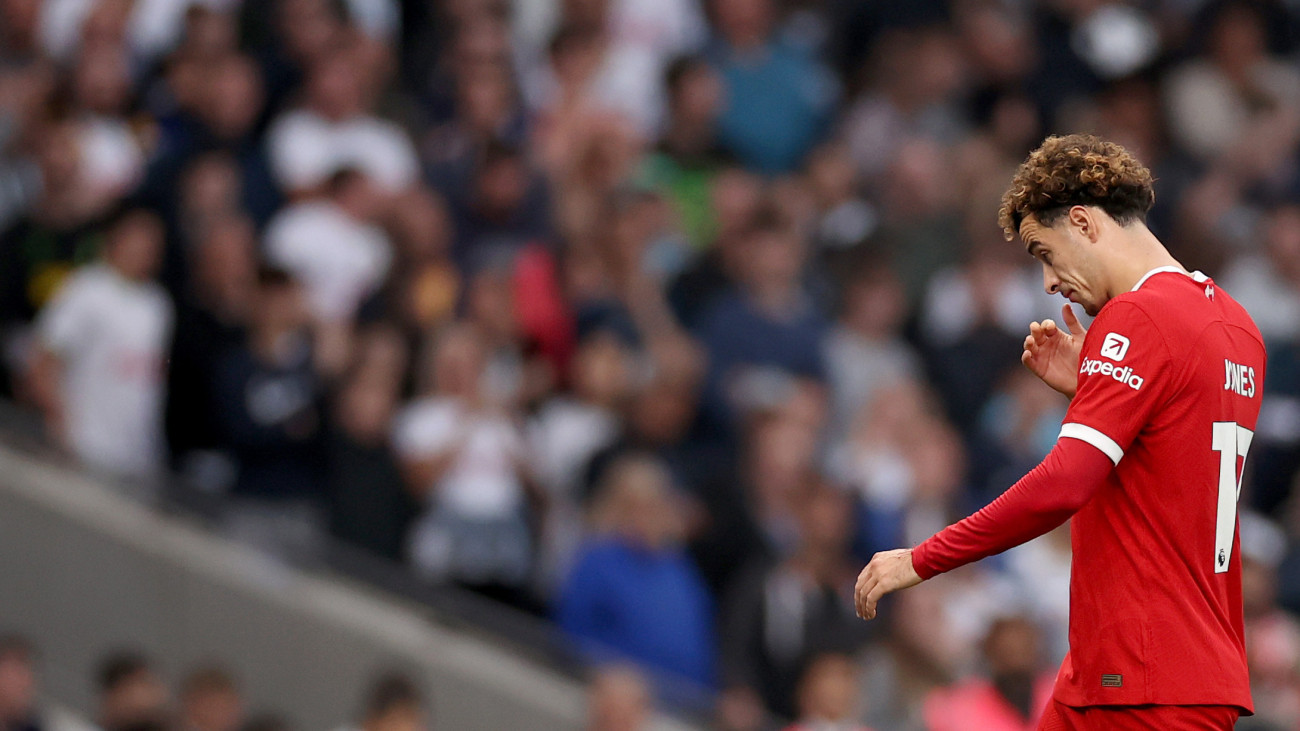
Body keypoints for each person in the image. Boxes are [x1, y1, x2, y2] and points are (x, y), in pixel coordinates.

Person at [853, 134, 1266, 730]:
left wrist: (921, 559)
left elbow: (1065, 484)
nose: (1048, 281)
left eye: (1044, 251)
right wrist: (1095, 393)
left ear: (1082, 222)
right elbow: (1175, 459)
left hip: (1144, 682)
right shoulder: (1237, 325)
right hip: (1138, 671)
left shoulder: (1139, 316)